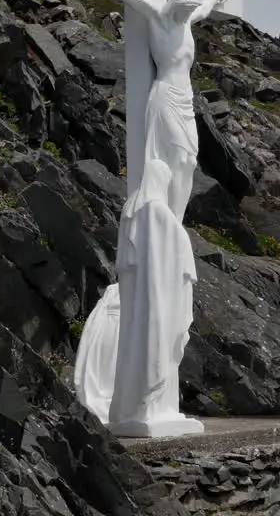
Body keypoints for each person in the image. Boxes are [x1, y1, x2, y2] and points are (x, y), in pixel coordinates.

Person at [77, 0, 228, 224]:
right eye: (185, 9)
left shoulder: (187, 22)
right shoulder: (157, 16)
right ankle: (165, 216)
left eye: (190, 11)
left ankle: (175, 222)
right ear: (174, 3)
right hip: (165, 96)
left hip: (185, 98)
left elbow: (204, 9)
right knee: (173, 157)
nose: (189, 14)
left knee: (188, 162)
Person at [106, 159, 203, 437]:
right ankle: (152, 406)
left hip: (137, 297)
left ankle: (132, 407)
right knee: (158, 344)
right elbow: (179, 249)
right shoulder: (157, 211)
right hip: (159, 295)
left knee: (136, 346)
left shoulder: (132, 211)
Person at [73, 283, 120, 424]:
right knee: (105, 368)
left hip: (126, 331)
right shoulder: (113, 289)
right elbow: (98, 313)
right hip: (108, 330)